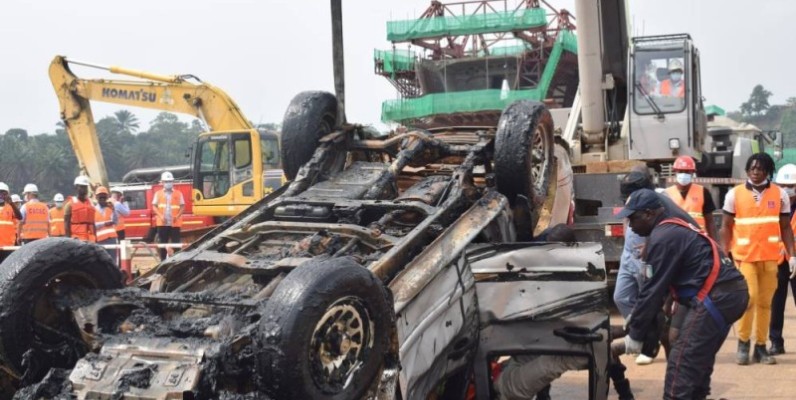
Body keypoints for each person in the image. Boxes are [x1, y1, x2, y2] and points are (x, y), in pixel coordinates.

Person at [621, 189, 748, 400]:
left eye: (633, 218)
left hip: (717, 297)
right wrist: (640, 318)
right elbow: (665, 286)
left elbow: (652, 291)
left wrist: (635, 335)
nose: (630, 224)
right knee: (697, 362)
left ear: (650, 214)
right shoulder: (670, 230)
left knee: (680, 366)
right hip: (727, 294)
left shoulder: (664, 237)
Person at [613, 167, 698, 365]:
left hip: (650, 257)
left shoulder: (660, 201)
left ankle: (653, 345)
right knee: (622, 297)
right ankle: (642, 336)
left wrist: (651, 243)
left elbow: (669, 224)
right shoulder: (631, 201)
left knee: (652, 300)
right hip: (629, 255)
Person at [720, 152, 796, 365]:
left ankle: (761, 347)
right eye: (752, 168)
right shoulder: (734, 195)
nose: (755, 172)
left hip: (770, 258)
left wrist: (792, 256)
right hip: (745, 257)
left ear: (767, 171)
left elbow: (785, 228)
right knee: (749, 299)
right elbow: (725, 227)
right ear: (747, 170)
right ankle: (743, 344)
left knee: (765, 303)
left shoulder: (779, 195)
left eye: (760, 169)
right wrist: (724, 254)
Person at [769, 163, 796, 355]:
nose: (787, 190)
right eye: (783, 186)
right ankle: (776, 342)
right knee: (776, 303)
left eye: (791, 186)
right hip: (778, 259)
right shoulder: (773, 206)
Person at [664, 156, 718, 240]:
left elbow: (710, 222)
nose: (684, 174)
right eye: (680, 171)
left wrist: (715, 245)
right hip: (675, 240)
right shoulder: (666, 194)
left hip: (698, 240)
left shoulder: (703, 192)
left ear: (692, 173)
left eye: (687, 172)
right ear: (675, 172)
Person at [152, 172, 184, 260]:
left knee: (176, 245)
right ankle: (163, 262)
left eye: (170, 181)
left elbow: (182, 206)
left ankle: (178, 261)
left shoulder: (178, 193)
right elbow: (154, 206)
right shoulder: (158, 194)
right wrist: (160, 215)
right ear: (162, 182)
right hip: (162, 223)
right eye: (166, 181)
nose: (168, 183)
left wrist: (177, 216)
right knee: (162, 244)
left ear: (173, 182)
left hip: (175, 223)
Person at [64, 175, 96, 242]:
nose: (84, 189)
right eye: (81, 187)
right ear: (76, 187)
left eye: (85, 187)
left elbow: (93, 223)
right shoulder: (69, 204)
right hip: (76, 239)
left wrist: (96, 238)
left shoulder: (91, 203)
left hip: (90, 239)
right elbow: (66, 224)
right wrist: (68, 240)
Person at [93, 186, 119, 261]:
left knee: (112, 261)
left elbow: (116, 221)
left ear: (107, 197)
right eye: (100, 197)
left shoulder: (110, 208)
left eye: (104, 197)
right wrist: (104, 224)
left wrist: (113, 210)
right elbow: (93, 225)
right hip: (100, 240)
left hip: (111, 239)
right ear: (96, 197)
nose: (102, 199)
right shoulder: (93, 210)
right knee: (101, 261)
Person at [0, 182, 22, 264]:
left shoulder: (10, 207)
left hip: (8, 246)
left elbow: (20, 217)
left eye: (3, 193)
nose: (1, 196)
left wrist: (12, 203)